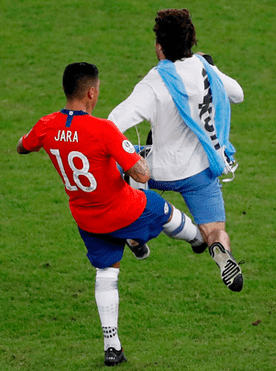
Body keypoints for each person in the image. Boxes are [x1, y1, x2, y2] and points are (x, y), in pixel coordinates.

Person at [16, 62, 212, 366]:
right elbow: (142, 174)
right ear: (91, 93)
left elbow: (22, 146)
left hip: (87, 218)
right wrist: (138, 156)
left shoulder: (46, 125)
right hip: (123, 210)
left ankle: (112, 346)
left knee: (106, 273)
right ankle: (199, 240)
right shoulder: (103, 129)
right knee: (162, 209)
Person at [108, 8, 244, 293]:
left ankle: (135, 235)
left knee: (124, 157)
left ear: (159, 47)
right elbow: (238, 94)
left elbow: (114, 123)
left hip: (158, 170)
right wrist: (211, 68)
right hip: (202, 170)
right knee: (214, 229)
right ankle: (220, 250)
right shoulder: (206, 68)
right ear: (192, 40)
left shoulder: (157, 81)